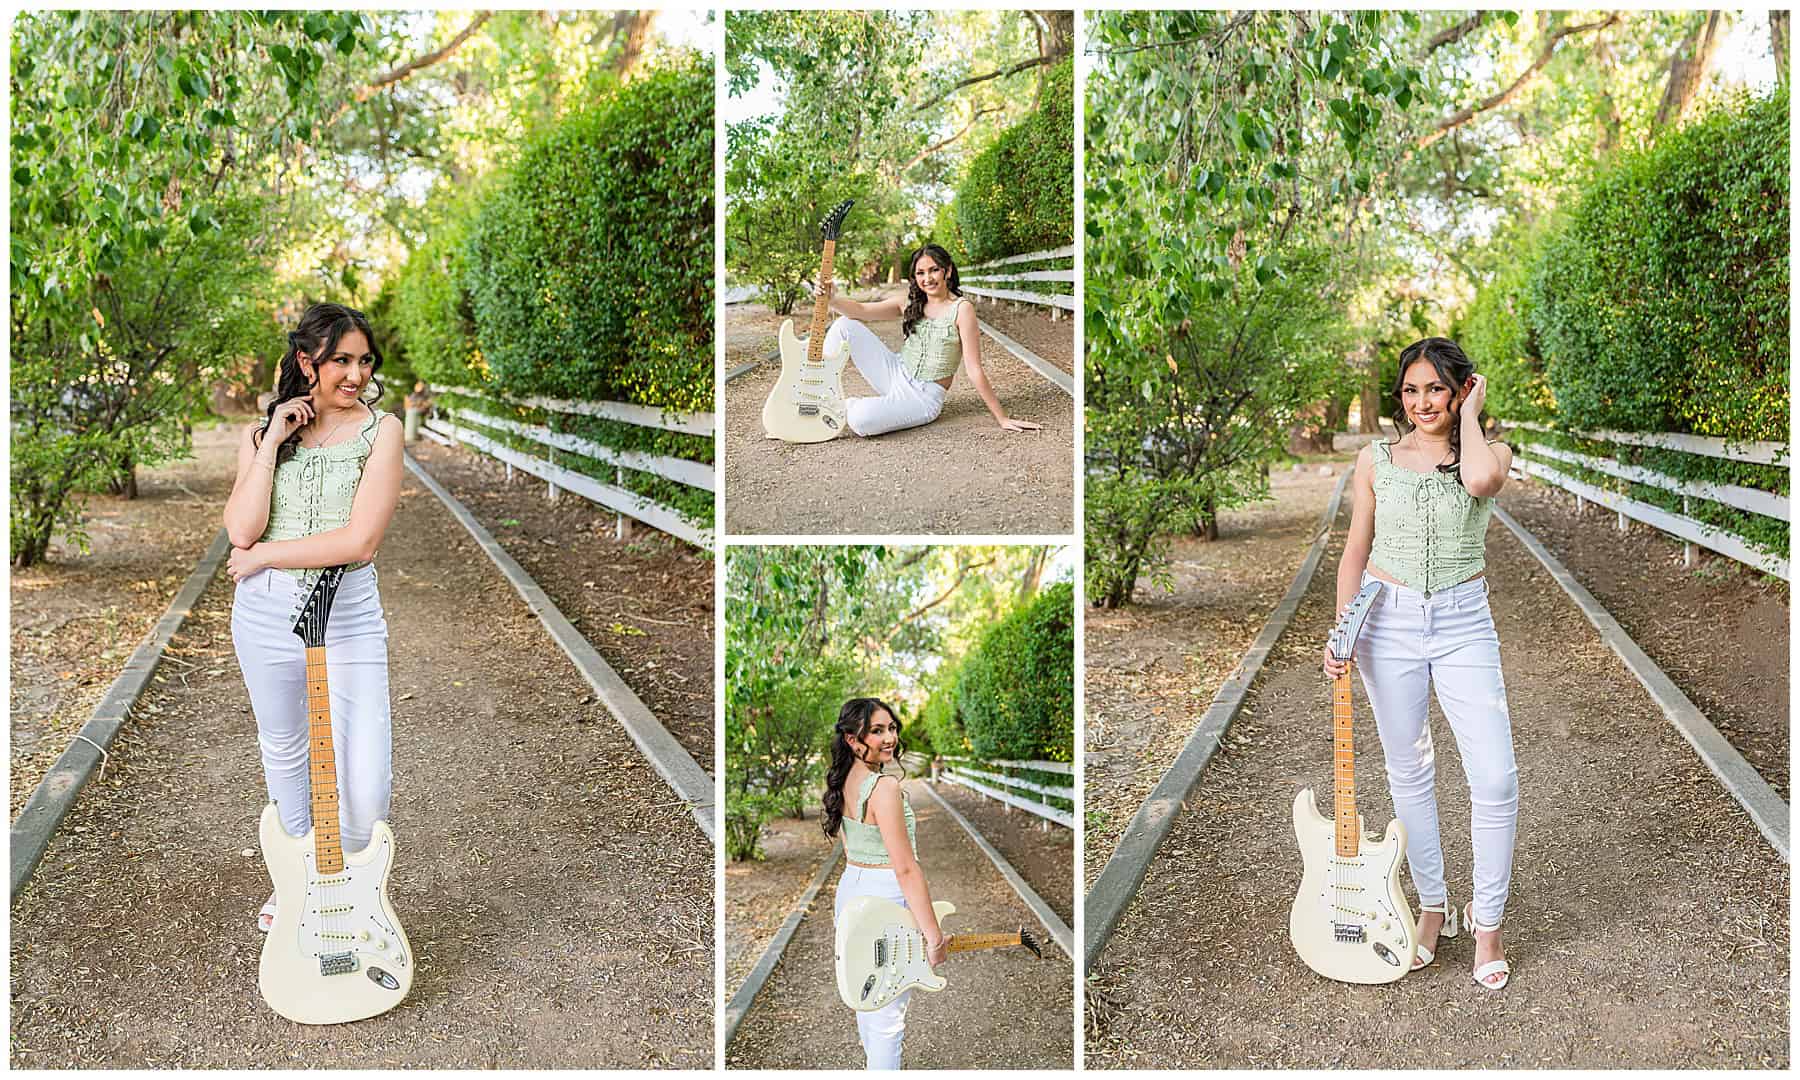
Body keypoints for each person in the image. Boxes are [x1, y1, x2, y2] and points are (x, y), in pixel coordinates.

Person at [1321, 336, 1518, 991]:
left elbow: (1479, 481)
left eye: (1436, 387)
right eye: (1411, 390)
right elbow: (1355, 551)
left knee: (1494, 778)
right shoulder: (1375, 459)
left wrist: (1472, 412)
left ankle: (1485, 922)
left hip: (1465, 624)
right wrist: (1343, 630)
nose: (1421, 401)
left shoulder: (1489, 455)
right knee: (1410, 769)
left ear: (1459, 388)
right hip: (1387, 624)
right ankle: (1432, 906)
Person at [221, 302, 405, 933]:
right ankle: (298, 878)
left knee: (366, 772)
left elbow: (359, 542)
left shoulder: (383, 432)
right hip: (265, 612)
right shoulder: (259, 435)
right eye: (340, 361)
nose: (354, 375)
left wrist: (265, 554)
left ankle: (354, 882)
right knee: (285, 747)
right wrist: (272, 441)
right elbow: (239, 528)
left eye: (363, 361)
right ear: (307, 361)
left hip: (346, 610)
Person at [822, 697, 943, 1069]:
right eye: (876, 731)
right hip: (885, 895)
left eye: (891, 728)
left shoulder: (841, 780)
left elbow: (851, 847)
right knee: (888, 1017)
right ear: (852, 739)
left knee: (868, 996)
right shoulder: (883, 788)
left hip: (852, 888)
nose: (889, 737)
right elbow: (905, 869)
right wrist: (934, 936)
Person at [817, 244, 1043, 437]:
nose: (928, 279)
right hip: (895, 371)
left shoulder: (962, 310)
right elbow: (861, 310)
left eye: (934, 270)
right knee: (844, 325)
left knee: (859, 419)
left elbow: (974, 369)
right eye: (921, 273)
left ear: (947, 271)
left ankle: (845, 407)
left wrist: (1001, 418)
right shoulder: (910, 302)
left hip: (922, 397)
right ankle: (818, 392)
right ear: (914, 277)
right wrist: (832, 298)